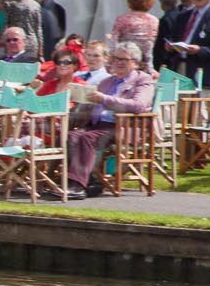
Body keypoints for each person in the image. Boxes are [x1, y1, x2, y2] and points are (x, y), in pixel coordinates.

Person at [63, 44, 156, 197]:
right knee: (72, 137)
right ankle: (90, 182)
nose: (118, 62)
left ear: (135, 62)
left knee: (87, 138)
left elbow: (139, 105)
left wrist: (105, 99)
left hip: (123, 125)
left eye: (123, 59)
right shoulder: (107, 81)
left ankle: (78, 186)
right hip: (98, 124)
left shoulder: (142, 80)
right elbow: (94, 105)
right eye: (115, 58)